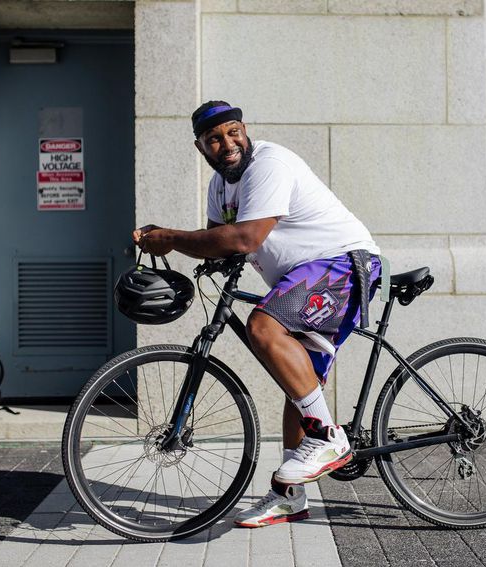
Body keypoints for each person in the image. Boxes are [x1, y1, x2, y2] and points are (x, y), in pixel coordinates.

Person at [133, 100, 381, 528]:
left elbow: (244, 238)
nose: (226, 143)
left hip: (343, 261)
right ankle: (289, 498)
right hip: (307, 276)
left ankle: (328, 439)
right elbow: (218, 241)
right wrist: (169, 242)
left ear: (245, 131)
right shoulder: (218, 186)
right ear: (201, 147)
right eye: (214, 138)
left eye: (233, 132)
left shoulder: (269, 164)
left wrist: (172, 237)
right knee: (297, 383)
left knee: (263, 326)